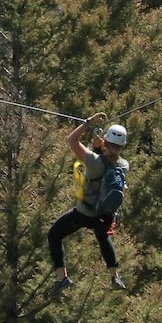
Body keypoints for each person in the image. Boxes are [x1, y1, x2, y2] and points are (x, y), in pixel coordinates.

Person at [48, 112, 128, 293]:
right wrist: (100, 150)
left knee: (54, 235)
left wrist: (88, 123)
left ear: (105, 141)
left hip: (85, 213)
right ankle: (115, 276)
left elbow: (72, 140)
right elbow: (108, 166)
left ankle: (62, 279)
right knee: (102, 236)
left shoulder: (93, 160)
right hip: (105, 216)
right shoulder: (124, 165)